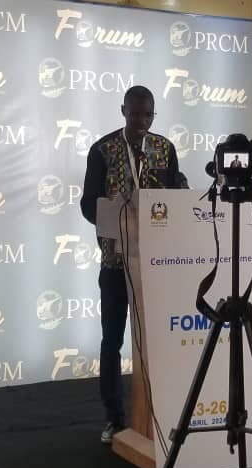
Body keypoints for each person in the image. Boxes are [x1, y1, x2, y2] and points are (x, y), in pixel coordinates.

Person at [80, 85, 187, 444]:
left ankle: (157, 414)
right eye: (135, 114)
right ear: (123, 111)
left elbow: (176, 193)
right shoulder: (102, 150)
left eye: (148, 115)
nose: (142, 121)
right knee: (112, 341)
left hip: (156, 263)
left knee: (157, 341)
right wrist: (115, 215)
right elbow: (87, 204)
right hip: (116, 262)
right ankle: (115, 419)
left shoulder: (164, 148)